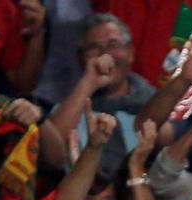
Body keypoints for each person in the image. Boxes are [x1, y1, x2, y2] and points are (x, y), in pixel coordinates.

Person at [48, 14, 156, 180]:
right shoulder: (69, 110)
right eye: (94, 47)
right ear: (80, 58)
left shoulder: (154, 104)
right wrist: (90, 82)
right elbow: (48, 154)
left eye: (114, 44)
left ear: (131, 52)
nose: (105, 54)